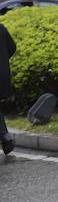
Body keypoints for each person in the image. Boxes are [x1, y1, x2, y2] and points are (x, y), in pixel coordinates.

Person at [0, 23, 15, 155]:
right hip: (3, 74)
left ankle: (5, 136)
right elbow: (12, 47)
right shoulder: (1, 27)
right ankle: (5, 137)